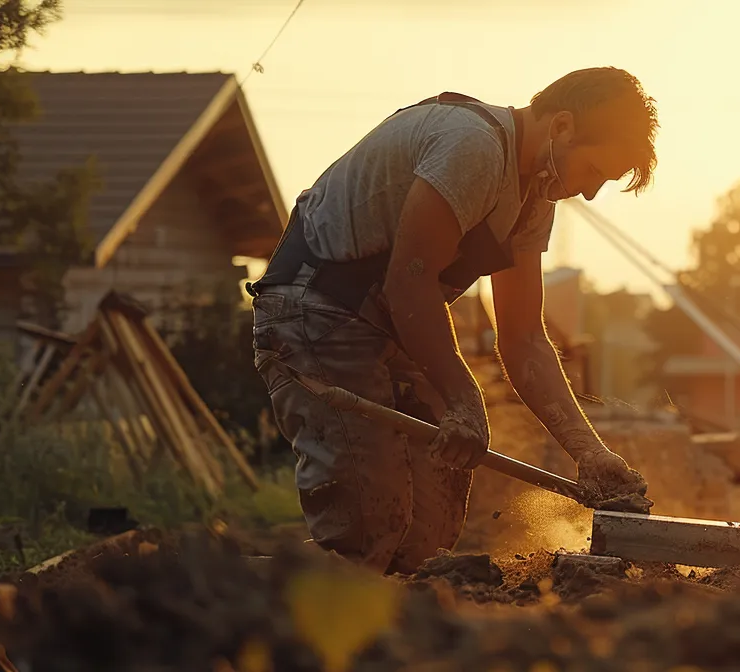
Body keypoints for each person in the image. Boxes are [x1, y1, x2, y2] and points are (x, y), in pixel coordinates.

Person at [247, 68, 657, 574]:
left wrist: (590, 453)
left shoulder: (534, 200)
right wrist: (464, 399)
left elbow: (525, 338)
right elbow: (409, 283)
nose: (591, 193)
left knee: (428, 537)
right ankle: (215, 594)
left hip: (392, 328)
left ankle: (399, 634)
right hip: (316, 314)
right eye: (594, 171)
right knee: (366, 530)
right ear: (564, 128)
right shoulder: (474, 148)